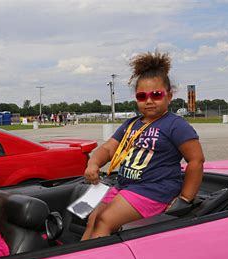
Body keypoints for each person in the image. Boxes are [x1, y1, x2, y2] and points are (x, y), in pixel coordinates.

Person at [82, 51, 205, 240]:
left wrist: (185, 199)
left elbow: (196, 160)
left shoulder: (175, 124)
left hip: (154, 189)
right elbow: (108, 148)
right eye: (142, 96)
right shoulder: (131, 124)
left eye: (156, 95)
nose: (149, 100)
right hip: (126, 186)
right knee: (93, 218)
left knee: (104, 220)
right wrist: (94, 163)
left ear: (169, 96)